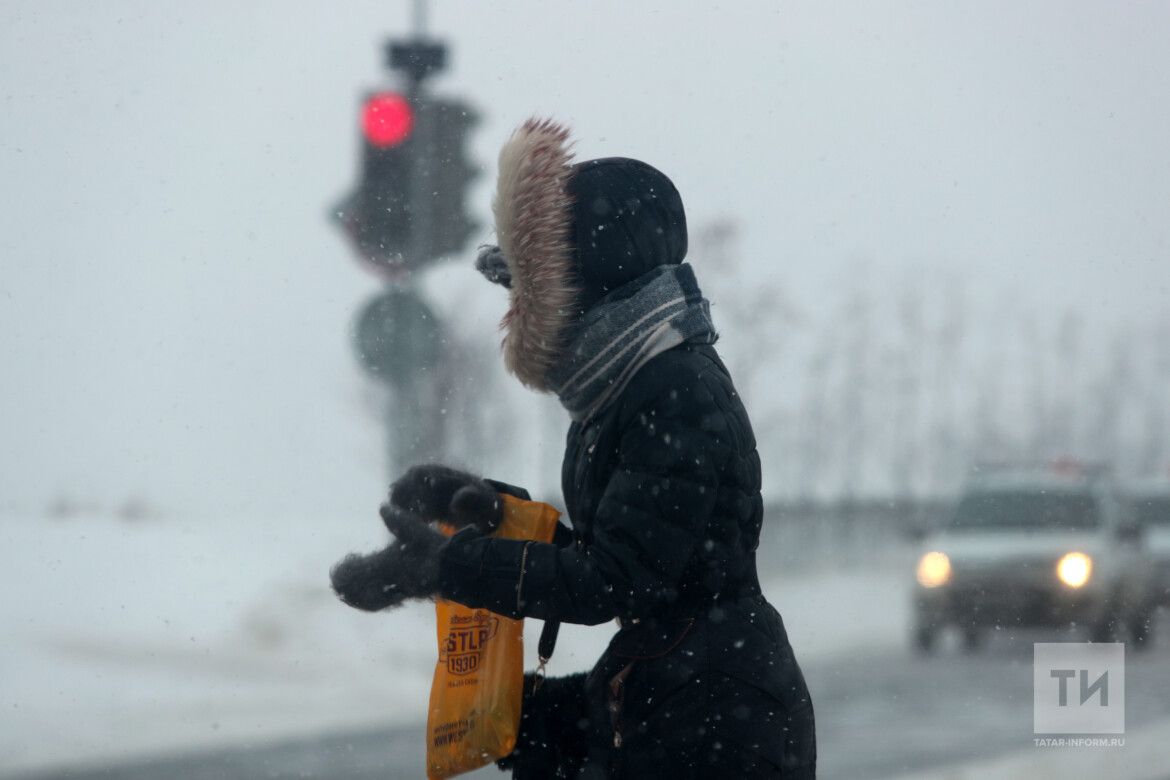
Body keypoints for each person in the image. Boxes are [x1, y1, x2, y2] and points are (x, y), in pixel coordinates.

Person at [330, 118, 816, 778]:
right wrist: (491, 518)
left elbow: (612, 580)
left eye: (525, 288)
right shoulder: (623, 386)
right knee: (520, 726)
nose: (515, 309)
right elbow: (630, 556)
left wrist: (452, 568)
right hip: (671, 685)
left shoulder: (675, 390)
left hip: (715, 715)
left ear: (581, 284)